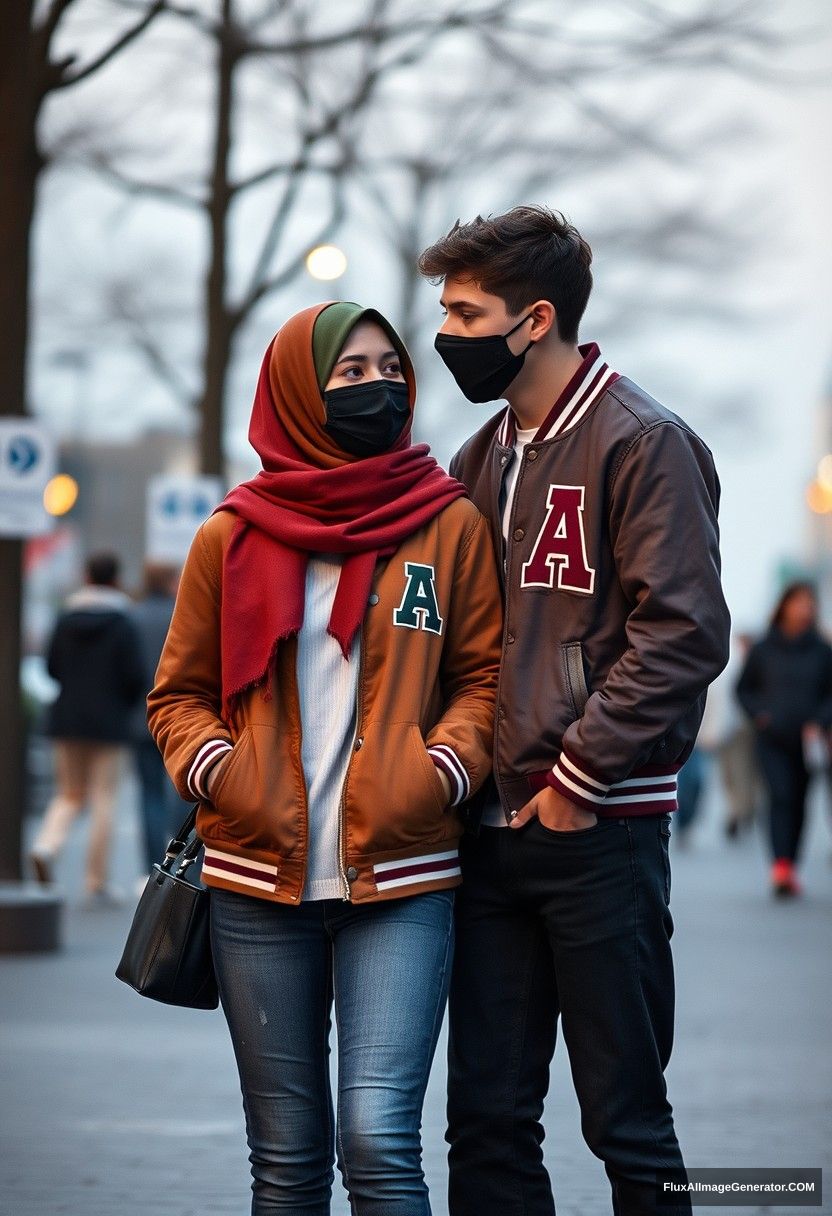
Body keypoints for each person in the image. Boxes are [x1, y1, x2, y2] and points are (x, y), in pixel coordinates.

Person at [147, 302, 503, 1215]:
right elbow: (176, 695)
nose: (378, 385)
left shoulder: (448, 524)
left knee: (380, 1142)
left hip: (405, 873)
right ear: (301, 390)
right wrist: (220, 770)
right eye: (350, 373)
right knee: (287, 1161)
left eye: (391, 368)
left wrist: (445, 771)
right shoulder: (231, 537)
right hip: (255, 883)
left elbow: (484, 679)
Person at [418, 205, 731, 1216]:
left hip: (597, 828)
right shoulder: (478, 457)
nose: (447, 331)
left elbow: (681, 631)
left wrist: (578, 778)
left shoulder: (643, 441)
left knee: (627, 1122)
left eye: (466, 311)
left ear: (535, 317)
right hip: (488, 834)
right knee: (487, 1121)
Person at [30, 552, 145, 904]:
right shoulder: (123, 623)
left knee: (69, 794)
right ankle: (95, 880)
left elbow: (51, 668)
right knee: (103, 799)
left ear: (86, 576)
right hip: (109, 722)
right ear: (115, 579)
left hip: (66, 719)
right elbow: (135, 676)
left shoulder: (65, 619)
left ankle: (46, 846)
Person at [736, 582, 832, 896]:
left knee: (800, 802)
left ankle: (791, 864)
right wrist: (760, 714)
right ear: (784, 605)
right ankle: (780, 866)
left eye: (809, 602)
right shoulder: (764, 648)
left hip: (808, 742)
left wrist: (820, 721)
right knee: (780, 796)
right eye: (798, 602)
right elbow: (743, 689)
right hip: (771, 739)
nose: (804, 608)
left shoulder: (822, 650)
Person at [128, 561, 188, 877]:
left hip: (141, 718)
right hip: (180, 717)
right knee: (185, 789)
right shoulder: (182, 614)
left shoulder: (132, 617)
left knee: (148, 795)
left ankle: (151, 868)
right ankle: (182, 859)